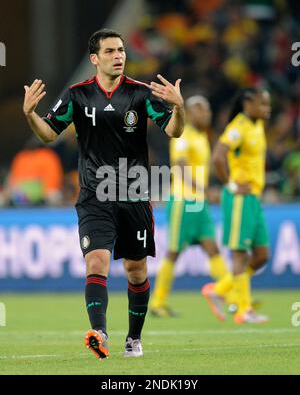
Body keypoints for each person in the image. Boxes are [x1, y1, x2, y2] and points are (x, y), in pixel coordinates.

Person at [23, 29, 185, 359]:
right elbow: (48, 134)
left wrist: (179, 108)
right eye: (110, 50)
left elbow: (174, 130)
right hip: (95, 195)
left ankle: (133, 339)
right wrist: (29, 115)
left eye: (121, 50)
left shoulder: (141, 94)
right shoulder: (76, 95)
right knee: (96, 262)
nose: (119, 55)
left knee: (135, 271)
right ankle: (99, 331)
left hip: (135, 193)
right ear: (95, 58)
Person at [150, 96, 231, 319]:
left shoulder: (202, 136)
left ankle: (232, 296)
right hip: (183, 201)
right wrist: (204, 190)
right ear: (192, 111)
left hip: (199, 203)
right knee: (174, 252)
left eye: (208, 110)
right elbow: (181, 167)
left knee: (212, 249)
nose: (206, 114)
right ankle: (158, 302)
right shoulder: (183, 134)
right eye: (201, 110)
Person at [202, 87, 271, 324]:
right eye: (263, 104)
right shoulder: (238, 128)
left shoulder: (257, 125)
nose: (267, 109)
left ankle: (219, 289)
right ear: (248, 104)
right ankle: (243, 309)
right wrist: (231, 185)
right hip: (239, 198)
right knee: (240, 254)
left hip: (253, 198)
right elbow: (218, 157)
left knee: (262, 255)